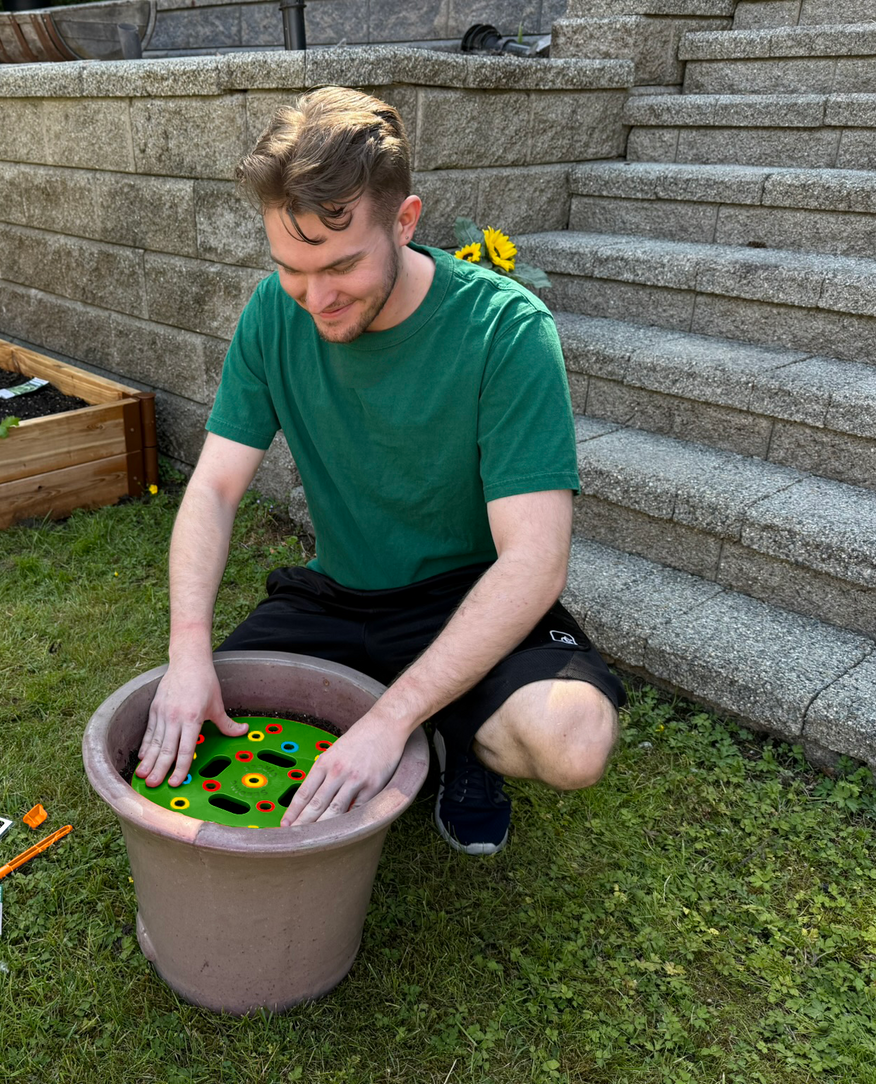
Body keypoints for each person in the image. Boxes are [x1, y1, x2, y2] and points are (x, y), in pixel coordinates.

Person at [133, 86, 625, 854]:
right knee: (178, 722)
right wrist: (187, 652)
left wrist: (389, 721)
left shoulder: (505, 329)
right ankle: (427, 713)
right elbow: (216, 487)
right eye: (290, 269)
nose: (314, 298)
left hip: (463, 598)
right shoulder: (274, 312)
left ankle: (453, 739)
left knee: (571, 741)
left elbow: (535, 559)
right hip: (335, 597)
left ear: (404, 221)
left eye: (338, 266)